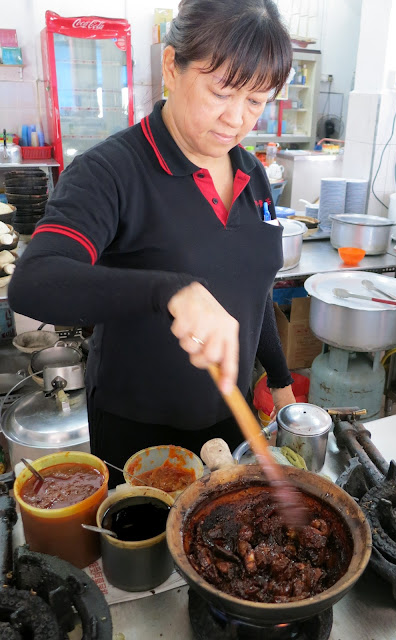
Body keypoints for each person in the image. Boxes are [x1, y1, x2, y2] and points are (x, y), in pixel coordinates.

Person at [8, 0, 296, 486]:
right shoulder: (110, 172)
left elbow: (255, 290)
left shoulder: (253, 174)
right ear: (171, 67)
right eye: (222, 91)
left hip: (230, 420)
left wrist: (282, 383)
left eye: (256, 101)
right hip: (138, 431)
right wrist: (170, 290)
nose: (236, 120)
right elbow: (34, 282)